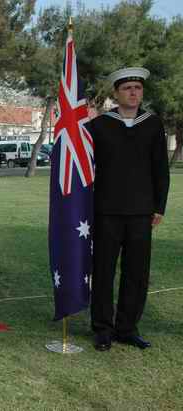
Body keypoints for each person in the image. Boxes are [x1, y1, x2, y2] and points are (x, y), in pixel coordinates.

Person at [87, 67, 170, 351]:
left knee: (137, 273)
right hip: (106, 210)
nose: (134, 92)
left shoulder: (153, 124)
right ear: (116, 93)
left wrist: (159, 206)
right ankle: (102, 329)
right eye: (127, 88)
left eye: (138, 88)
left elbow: (161, 169)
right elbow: (82, 162)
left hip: (141, 212)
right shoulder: (99, 126)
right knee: (103, 271)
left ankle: (127, 328)